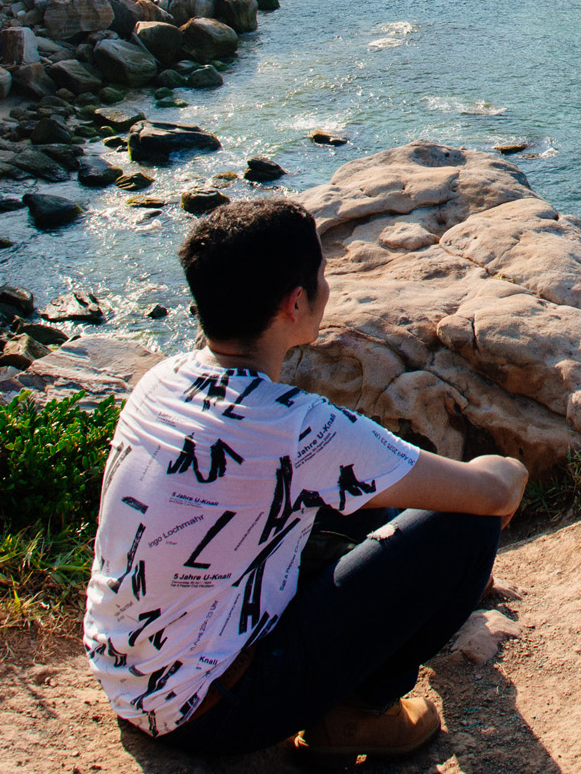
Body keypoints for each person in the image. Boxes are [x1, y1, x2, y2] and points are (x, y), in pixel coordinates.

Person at [82, 198, 529, 760]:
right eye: (321, 274)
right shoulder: (294, 427)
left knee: (365, 494)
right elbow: (492, 493)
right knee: (464, 528)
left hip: (129, 678)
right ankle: (363, 715)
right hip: (218, 711)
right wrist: (508, 468)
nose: (327, 284)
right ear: (295, 303)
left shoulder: (161, 381)